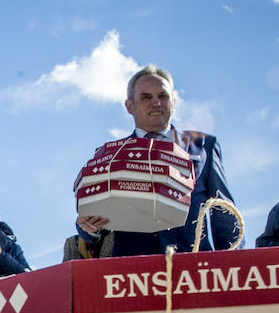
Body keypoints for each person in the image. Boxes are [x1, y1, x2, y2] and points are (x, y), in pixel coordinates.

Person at [74, 65, 240, 256]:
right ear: (130, 106)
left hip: (194, 269)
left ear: (173, 102)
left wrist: (236, 264)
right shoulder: (108, 155)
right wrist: (90, 228)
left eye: (163, 96)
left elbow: (224, 211)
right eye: (146, 97)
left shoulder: (203, 146)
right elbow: (92, 223)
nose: (156, 102)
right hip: (132, 271)